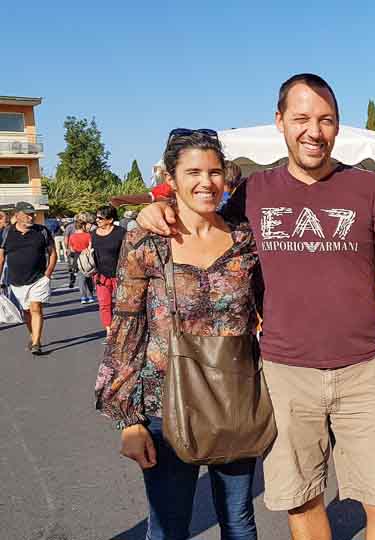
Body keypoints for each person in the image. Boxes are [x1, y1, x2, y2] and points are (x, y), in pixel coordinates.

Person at [138, 73, 375, 540]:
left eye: (326, 120)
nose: (314, 131)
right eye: (302, 118)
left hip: (361, 372)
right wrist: (157, 209)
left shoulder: (367, 188)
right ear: (280, 123)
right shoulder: (254, 193)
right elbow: (201, 224)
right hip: (284, 373)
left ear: (337, 125)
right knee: (302, 501)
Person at [95, 131, 260, 540]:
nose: (206, 181)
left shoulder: (244, 236)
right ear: (171, 177)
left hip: (234, 399)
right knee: (169, 527)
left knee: (239, 521)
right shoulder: (147, 239)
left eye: (214, 171)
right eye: (193, 172)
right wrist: (127, 421)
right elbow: (127, 326)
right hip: (164, 406)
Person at [0, 202, 57, 354]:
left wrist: (48, 273)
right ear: (17, 215)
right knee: (26, 311)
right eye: (27, 214)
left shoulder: (42, 231)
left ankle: (37, 343)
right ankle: (33, 336)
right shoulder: (7, 233)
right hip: (16, 281)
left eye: (32, 214)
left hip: (38, 279)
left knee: (35, 308)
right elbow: (1, 257)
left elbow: (52, 253)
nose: (31, 217)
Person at [91, 206, 126, 336]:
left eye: (100, 218)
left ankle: (122, 329)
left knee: (122, 304)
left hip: (120, 274)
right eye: (97, 217)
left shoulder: (121, 232)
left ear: (110, 219)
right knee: (104, 304)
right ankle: (109, 331)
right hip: (101, 275)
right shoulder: (93, 234)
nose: (97, 220)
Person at [67, 215, 96, 304]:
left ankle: (83, 297)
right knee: (89, 277)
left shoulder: (72, 236)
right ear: (83, 226)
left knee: (81, 279)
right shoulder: (88, 235)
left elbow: (71, 248)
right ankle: (91, 296)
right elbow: (90, 246)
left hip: (77, 257)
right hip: (87, 257)